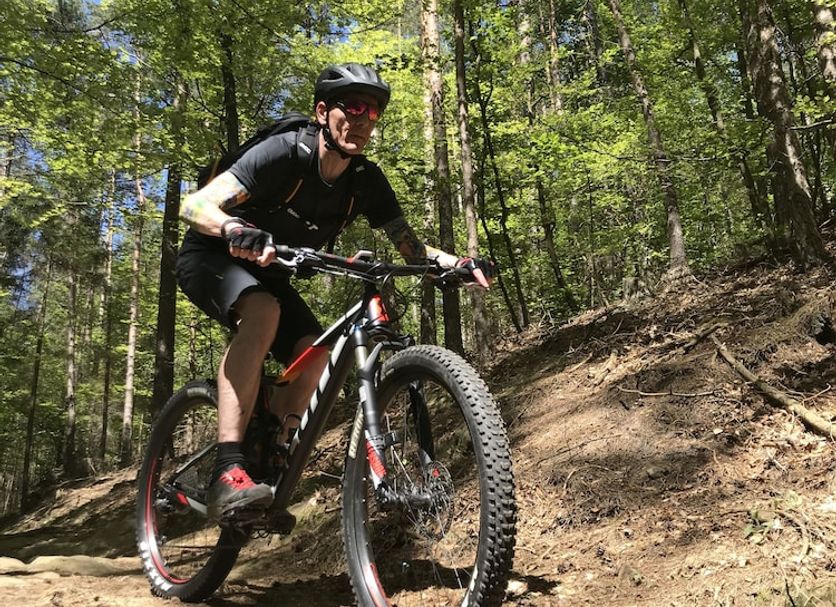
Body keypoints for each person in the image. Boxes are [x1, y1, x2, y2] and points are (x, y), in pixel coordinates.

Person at [176, 63, 494, 524]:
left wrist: (456, 263)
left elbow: (410, 246)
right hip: (210, 255)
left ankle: (268, 455)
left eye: (373, 112)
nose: (363, 120)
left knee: (315, 350)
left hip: (270, 273)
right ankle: (228, 470)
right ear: (323, 112)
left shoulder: (365, 181)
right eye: (354, 107)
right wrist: (232, 228)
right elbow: (195, 205)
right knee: (262, 311)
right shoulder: (283, 153)